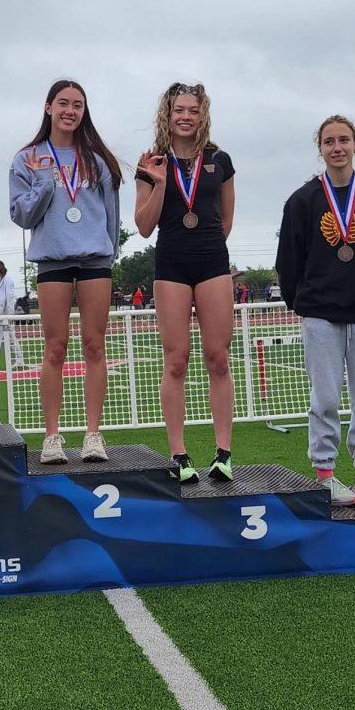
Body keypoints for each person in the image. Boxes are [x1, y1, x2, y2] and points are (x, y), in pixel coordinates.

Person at [276, 115, 355, 506]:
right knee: (325, 397)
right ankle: (326, 474)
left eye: (344, 139)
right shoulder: (302, 200)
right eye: (329, 141)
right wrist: (301, 302)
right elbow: (289, 260)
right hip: (320, 312)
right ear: (321, 148)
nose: (337, 147)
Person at [10, 79, 121, 464]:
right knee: (55, 347)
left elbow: (111, 215)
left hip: (94, 260)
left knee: (94, 345)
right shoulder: (28, 158)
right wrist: (43, 183)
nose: (70, 111)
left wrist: (109, 253)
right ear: (48, 107)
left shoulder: (97, 159)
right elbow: (21, 216)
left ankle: (93, 434)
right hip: (52, 259)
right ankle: (52, 436)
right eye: (63, 103)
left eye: (77, 105)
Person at [135, 82, 235, 483]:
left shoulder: (220, 159)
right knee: (176, 360)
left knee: (218, 357)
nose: (186, 116)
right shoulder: (151, 160)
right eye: (179, 110)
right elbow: (143, 226)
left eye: (193, 110)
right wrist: (159, 181)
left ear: (202, 114)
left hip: (212, 262)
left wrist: (205, 247)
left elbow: (225, 221)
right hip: (171, 265)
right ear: (168, 113)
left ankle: (224, 452)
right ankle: (179, 454)